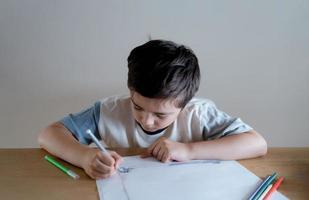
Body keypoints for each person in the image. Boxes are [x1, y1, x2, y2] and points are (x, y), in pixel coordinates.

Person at [38, 40, 267, 179]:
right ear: (131, 90)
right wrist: (85, 157)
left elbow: (257, 144)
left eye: (160, 115)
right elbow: (48, 134)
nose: (146, 121)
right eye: (137, 106)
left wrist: (188, 151)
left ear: (185, 103)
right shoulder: (108, 111)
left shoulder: (199, 114)